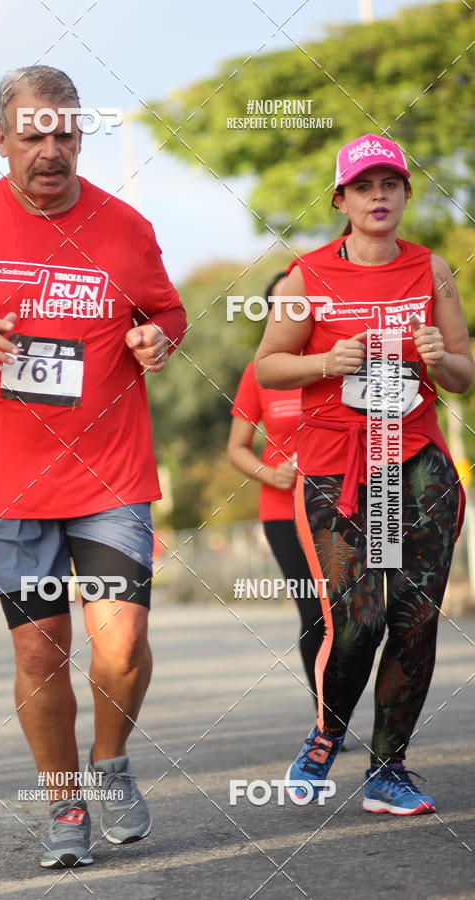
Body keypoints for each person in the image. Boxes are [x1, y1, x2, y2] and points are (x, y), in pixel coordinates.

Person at [0, 65, 186, 868]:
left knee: (122, 642)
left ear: (79, 136)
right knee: (39, 653)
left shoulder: (125, 227)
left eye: (65, 133)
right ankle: (65, 806)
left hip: (110, 473)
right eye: (33, 135)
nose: (51, 150)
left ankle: (111, 765)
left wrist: (157, 337)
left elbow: (165, 310)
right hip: (11, 483)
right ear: (2, 140)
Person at [255, 134, 473, 815]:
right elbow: (267, 366)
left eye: (391, 184)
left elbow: (463, 378)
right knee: (358, 619)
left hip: (416, 462)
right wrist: (325, 363)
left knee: (415, 618)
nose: (379, 195)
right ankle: (326, 735)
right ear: (341, 200)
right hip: (336, 465)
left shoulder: (432, 270)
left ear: (406, 194)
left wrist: (440, 360)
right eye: (364, 186)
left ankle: (389, 769)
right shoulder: (305, 277)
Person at [228, 272, 324, 705]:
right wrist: (271, 474)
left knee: (356, 616)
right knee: (316, 615)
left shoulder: (337, 359)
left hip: (342, 506)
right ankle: (328, 721)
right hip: (283, 512)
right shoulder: (257, 373)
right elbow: (238, 449)